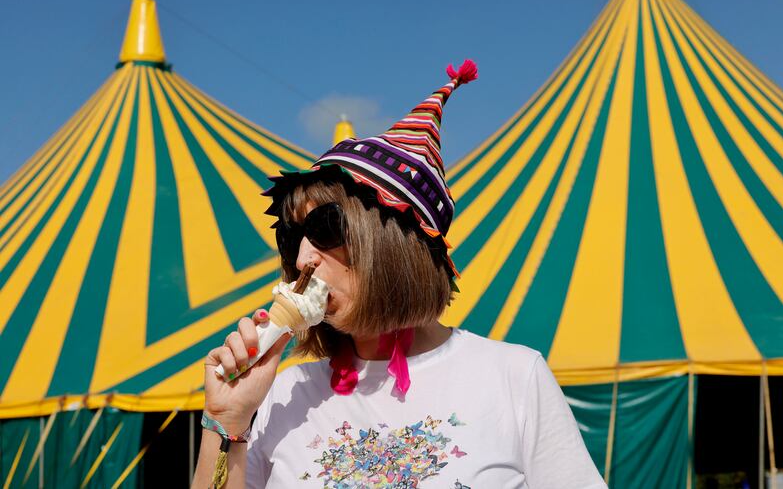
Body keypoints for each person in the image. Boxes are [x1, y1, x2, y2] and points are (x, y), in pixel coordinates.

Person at [192, 60, 605, 489]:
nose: (302, 259)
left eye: (325, 228)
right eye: (293, 236)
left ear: (392, 243)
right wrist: (226, 421)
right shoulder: (284, 393)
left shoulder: (513, 378)